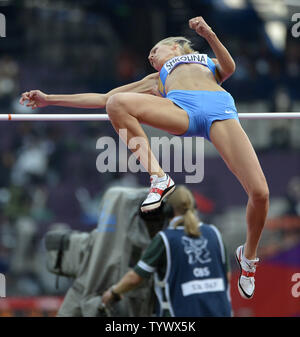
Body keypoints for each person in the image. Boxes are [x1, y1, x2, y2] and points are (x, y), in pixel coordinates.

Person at [19, 16, 269, 298]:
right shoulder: (155, 79)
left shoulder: (206, 62)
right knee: (116, 104)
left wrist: (208, 33)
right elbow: (102, 98)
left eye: (155, 51)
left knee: (260, 193)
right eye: (149, 55)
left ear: (176, 47)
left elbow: (230, 67)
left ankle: (248, 258)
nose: (151, 57)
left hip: (220, 113)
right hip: (183, 112)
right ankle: (159, 178)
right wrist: (50, 98)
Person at [101, 186, 232, 317]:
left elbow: (135, 278)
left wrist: (113, 292)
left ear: (168, 211)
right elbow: (227, 276)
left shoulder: (165, 239)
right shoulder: (214, 233)